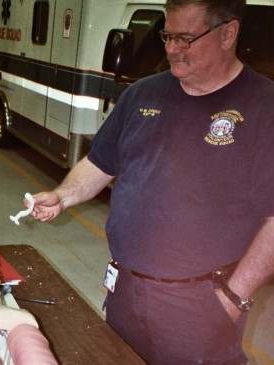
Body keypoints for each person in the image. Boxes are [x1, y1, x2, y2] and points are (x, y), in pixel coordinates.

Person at [28, 0, 274, 363]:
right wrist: (62, 197)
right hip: (126, 289)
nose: (172, 49)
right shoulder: (142, 94)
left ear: (228, 34)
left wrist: (233, 298)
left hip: (201, 302)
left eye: (185, 38)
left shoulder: (264, 108)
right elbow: (99, 163)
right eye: (167, 35)